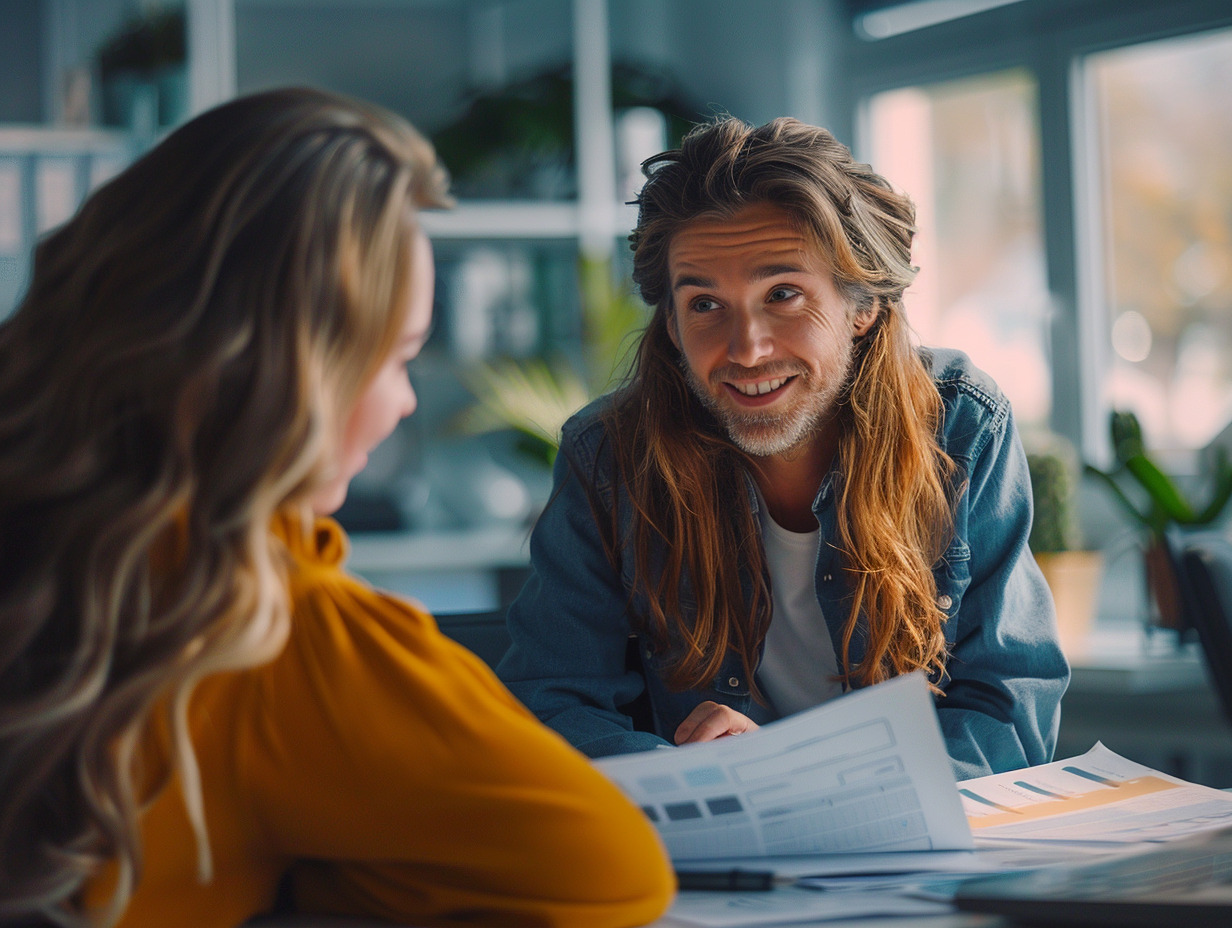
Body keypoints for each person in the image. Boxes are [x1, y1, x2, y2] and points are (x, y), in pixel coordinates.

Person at [0, 87, 673, 928]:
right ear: (284, 368)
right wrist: (318, 872)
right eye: (394, 359)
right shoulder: (265, 628)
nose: (401, 406)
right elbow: (611, 873)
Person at [497, 116, 1069, 781]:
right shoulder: (609, 458)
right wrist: (696, 773)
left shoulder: (962, 426)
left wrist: (803, 773)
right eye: (706, 304)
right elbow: (551, 704)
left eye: (784, 295)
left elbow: (1009, 711)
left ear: (863, 307)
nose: (746, 350)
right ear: (674, 327)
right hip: (708, 856)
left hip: (913, 848)